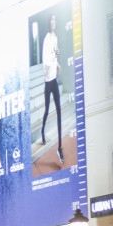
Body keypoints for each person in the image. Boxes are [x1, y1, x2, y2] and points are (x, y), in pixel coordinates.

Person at [40, 14, 64, 163]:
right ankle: (42, 132)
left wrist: (57, 63)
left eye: (55, 19)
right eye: (51, 20)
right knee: (47, 111)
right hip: (47, 81)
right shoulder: (46, 39)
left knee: (59, 111)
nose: (53, 22)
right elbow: (46, 60)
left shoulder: (55, 38)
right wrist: (53, 59)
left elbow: (54, 58)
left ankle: (60, 148)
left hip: (54, 79)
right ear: (48, 23)